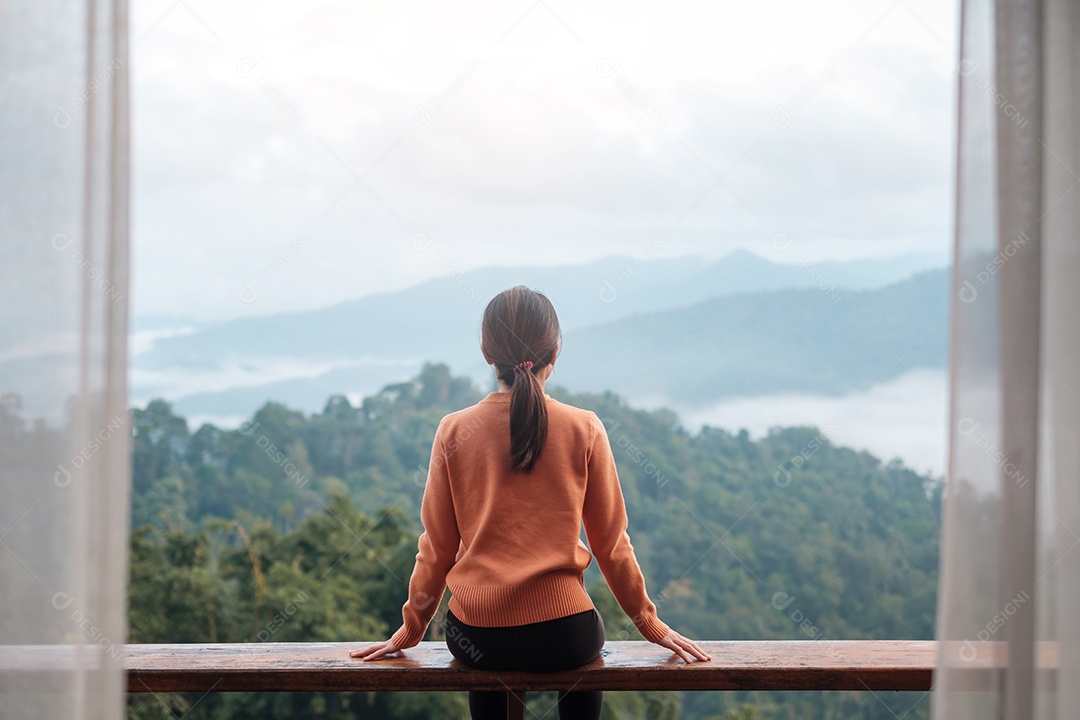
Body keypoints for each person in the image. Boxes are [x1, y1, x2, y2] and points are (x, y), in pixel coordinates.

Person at [350, 285, 710, 719]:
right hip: (565, 634)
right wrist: (650, 624)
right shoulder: (584, 428)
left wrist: (411, 629)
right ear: (554, 351)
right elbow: (612, 546)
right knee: (579, 661)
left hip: (477, 637)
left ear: (486, 352)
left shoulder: (453, 430)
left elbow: (437, 549)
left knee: (490, 670)